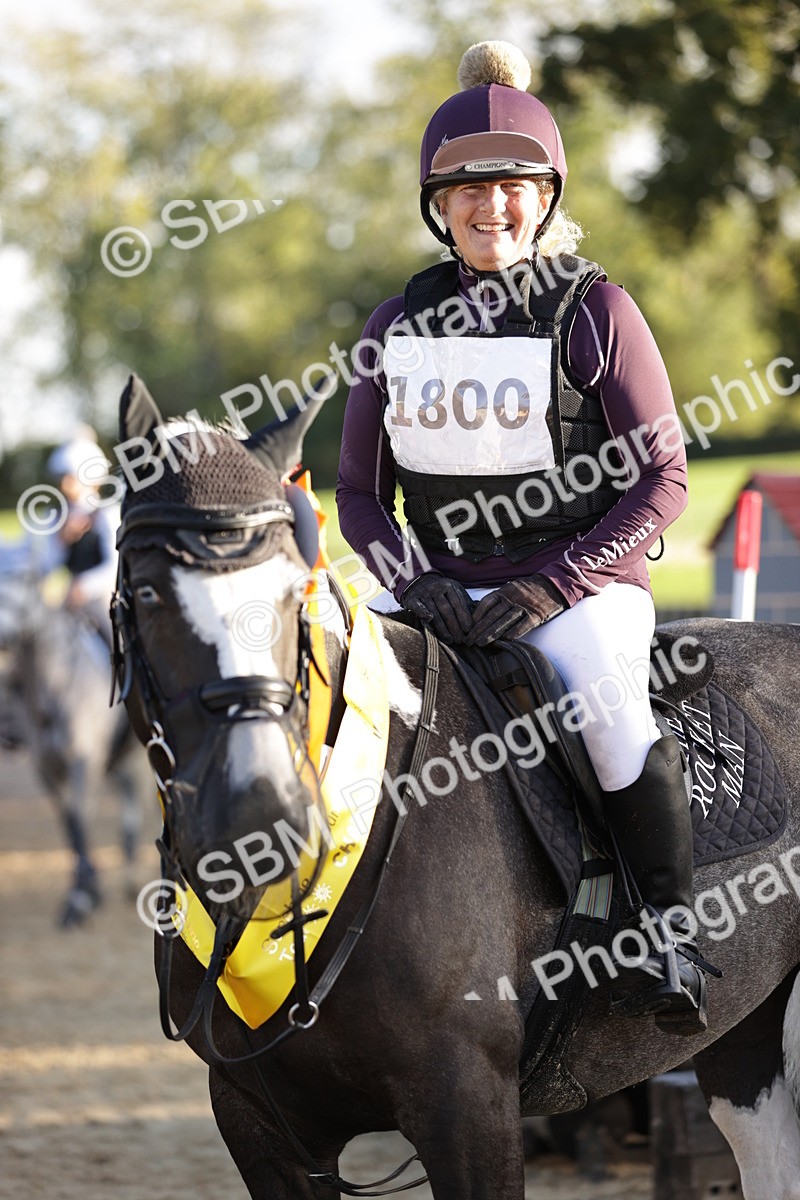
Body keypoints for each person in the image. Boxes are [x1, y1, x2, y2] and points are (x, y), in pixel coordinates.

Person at [336, 41, 708, 1032]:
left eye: (509, 186)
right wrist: (414, 587)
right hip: (433, 587)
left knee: (610, 711)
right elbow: (358, 497)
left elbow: (661, 478)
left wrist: (551, 589)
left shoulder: (598, 312)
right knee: (315, 679)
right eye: (464, 190)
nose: (487, 205)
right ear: (435, 204)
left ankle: (662, 933)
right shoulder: (394, 324)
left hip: (575, 588)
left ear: (542, 197)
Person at [42, 428, 119, 647]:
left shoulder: (106, 513)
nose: (64, 485)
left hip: (101, 600)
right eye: (62, 478)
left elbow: (114, 565)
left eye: (71, 478)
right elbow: (46, 566)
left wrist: (83, 587)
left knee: (118, 643)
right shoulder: (56, 517)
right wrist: (62, 540)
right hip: (66, 601)